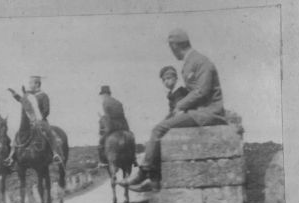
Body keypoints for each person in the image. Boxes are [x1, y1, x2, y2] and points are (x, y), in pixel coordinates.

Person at [122, 29, 227, 192]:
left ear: (174, 47)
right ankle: (154, 181)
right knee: (162, 127)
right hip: (198, 112)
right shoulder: (191, 62)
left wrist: (180, 106)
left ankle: (144, 173)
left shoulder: (200, 61)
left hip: (208, 113)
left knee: (159, 129)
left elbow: (202, 91)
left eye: (171, 48)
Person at [8, 76, 64, 165]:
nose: (29, 85)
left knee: (49, 133)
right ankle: (11, 157)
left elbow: (46, 110)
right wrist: (15, 94)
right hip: (30, 122)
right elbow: (23, 101)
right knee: (17, 134)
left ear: (37, 84)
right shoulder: (29, 95)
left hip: (41, 121)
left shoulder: (43, 95)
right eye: (29, 83)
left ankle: (55, 154)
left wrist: (39, 119)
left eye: (31, 83)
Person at [97, 85, 133, 167]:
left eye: (102, 95)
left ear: (104, 94)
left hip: (113, 126)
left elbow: (107, 117)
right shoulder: (118, 102)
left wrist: (107, 128)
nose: (102, 97)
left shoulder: (105, 102)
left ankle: (103, 161)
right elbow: (122, 116)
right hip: (124, 126)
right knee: (131, 140)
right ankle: (133, 158)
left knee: (101, 142)